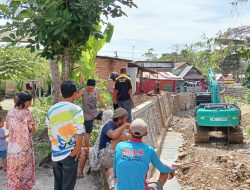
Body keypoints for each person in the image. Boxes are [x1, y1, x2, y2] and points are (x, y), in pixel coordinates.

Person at [113, 118, 175, 190]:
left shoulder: (119, 146)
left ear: (129, 131)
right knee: (165, 173)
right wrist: (171, 169)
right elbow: (162, 168)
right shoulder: (149, 150)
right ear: (146, 134)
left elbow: (115, 172)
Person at [46, 80, 85, 190]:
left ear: (61, 93)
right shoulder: (76, 110)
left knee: (58, 183)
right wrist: (77, 148)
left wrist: (54, 146)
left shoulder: (51, 110)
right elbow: (79, 130)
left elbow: (50, 131)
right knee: (68, 185)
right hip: (70, 152)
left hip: (55, 151)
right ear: (74, 94)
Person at [6, 92, 36, 190]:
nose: (31, 103)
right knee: (24, 167)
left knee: (14, 167)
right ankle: (24, 187)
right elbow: (33, 130)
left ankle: (14, 186)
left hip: (12, 146)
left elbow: (7, 126)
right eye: (30, 101)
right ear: (25, 102)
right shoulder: (27, 113)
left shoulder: (10, 112)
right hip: (24, 147)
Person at [99, 107, 131, 190]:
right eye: (125, 119)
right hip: (104, 156)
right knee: (122, 136)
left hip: (109, 158)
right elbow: (113, 135)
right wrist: (124, 126)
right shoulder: (108, 125)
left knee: (125, 136)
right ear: (119, 119)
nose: (126, 121)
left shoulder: (117, 126)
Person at [77, 109, 114, 178]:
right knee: (89, 149)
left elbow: (98, 142)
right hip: (106, 149)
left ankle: (80, 172)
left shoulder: (103, 127)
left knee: (84, 151)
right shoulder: (112, 126)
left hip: (100, 151)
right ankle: (89, 167)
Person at [76, 79, 108, 148]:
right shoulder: (83, 91)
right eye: (89, 88)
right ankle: (87, 148)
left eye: (92, 88)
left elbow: (99, 99)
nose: (90, 89)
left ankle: (106, 139)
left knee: (107, 116)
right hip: (87, 115)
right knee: (88, 132)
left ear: (94, 87)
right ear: (86, 86)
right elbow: (74, 97)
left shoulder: (96, 90)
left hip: (96, 112)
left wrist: (106, 107)